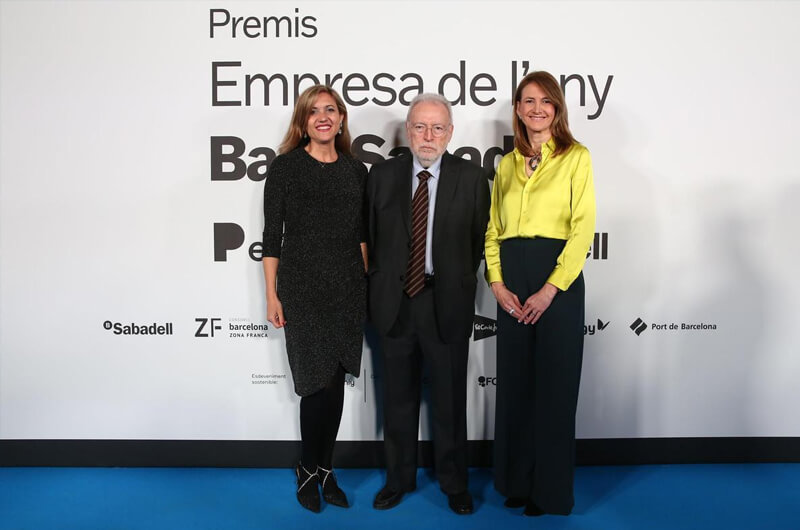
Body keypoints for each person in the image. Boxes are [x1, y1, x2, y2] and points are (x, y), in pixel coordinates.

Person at [366, 93, 490, 515]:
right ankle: (398, 480)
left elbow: (477, 241)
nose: (428, 136)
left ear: (450, 133)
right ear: (407, 130)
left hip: (445, 302)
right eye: (420, 126)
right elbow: (370, 238)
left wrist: (452, 281)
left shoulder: (471, 179)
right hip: (395, 304)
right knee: (397, 400)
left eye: (438, 128)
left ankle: (455, 483)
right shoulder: (381, 176)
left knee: (450, 400)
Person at [485, 71, 596, 516]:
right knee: (516, 386)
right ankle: (516, 481)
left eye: (545, 101)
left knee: (554, 388)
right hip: (511, 281)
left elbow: (582, 228)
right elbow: (493, 231)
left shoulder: (577, 157)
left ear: (557, 108)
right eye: (527, 101)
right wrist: (496, 283)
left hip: (558, 284)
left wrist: (551, 289)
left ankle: (549, 493)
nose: (536, 109)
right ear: (517, 108)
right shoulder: (505, 165)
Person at [262, 85, 367, 513]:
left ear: (341, 118)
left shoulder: (356, 171)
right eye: (313, 111)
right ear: (303, 122)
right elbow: (272, 237)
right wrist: (271, 294)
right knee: (315, 385)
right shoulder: (285, 168)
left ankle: (326, 468)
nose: (323, 117)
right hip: (302, 289)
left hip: (347, 289)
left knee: (337, 380)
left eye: (331, 109)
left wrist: (367, 286)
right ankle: (307, 468)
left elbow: (363, 236)